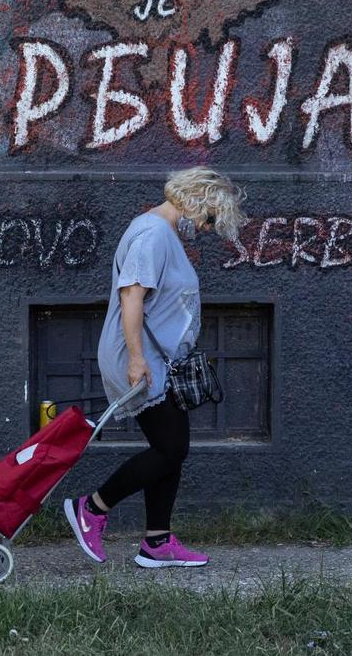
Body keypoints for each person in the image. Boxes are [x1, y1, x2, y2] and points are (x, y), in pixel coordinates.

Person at [64, 166, 247, 568]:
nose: (205, 226)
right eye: (210, 217)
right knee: (171, 448)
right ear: (197, 199)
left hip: (157, 360)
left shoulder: (160, 233)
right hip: (141, 358)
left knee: (172, 449)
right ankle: (92, 508)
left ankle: (157, 542)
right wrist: (135, 358)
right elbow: (132, 297)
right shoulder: (153, 234)